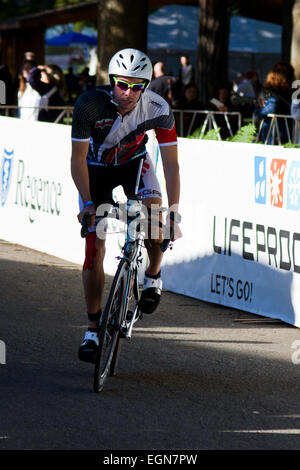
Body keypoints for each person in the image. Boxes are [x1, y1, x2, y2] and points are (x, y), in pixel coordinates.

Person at [71, 48, 181, 364]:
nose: (128, 92)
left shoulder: (158, 107)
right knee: (94, 247)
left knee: (156, 214)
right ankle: (93, 328)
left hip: (134, 163)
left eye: (136, 86)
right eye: (122, 84)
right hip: (95, 168)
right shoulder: (89, 104)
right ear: (111, 81)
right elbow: (77, 160)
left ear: (146, 86)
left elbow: (172, 165)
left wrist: (173, 211)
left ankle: (153, 275)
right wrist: (89, 202)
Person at [254, 62, 294, 144]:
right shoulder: (291, 90)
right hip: (283, 129)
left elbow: (270, 107)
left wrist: (257, 114)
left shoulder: (267, 88)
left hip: (272, 128)